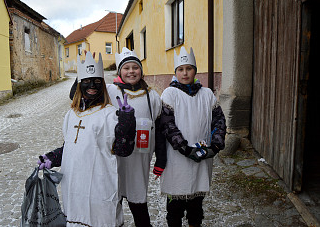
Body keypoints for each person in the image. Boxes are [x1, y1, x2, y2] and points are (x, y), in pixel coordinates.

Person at [69, 47, 166, 226]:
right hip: (112, 159)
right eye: (126, 68)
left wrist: (161, 159)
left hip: (139, 160)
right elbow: (79, 93)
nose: (131, 71)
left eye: (135, 68)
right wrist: (84, 70)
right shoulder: (110, 91)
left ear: (141, 71)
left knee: (138, 202)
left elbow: (159, 129)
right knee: (113, 199)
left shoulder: (152, 96)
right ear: (120, 71)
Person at [37, 51, 136, 227]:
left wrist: (127, 121)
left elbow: (123, 150)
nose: (92, 85)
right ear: (79, 85)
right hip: (74, 186)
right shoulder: (71, 114)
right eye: (87, 81)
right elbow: (70, 147)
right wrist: (51, 158)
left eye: (97, 82)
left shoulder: (110, 114)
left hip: (100, 184)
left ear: (103, 86)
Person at [159, 46, 226, 227]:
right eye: (180, 69)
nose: (185, 73)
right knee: (175, 206)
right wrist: (185, 148)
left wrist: (215, 146)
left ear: (195, 70)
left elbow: (218, 120)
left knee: (196, 205)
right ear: (176, 72)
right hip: (177, 158)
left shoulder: (207, 94)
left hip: (202, 156)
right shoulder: (170, 94)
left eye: (189, 68)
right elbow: (167, 124)